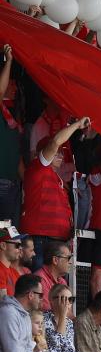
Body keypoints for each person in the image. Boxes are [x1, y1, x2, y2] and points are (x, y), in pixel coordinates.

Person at [20, 118, 90, 268]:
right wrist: (76, 125)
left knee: (53, 287)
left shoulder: (56, 178)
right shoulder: (38, 168)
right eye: (57, 153)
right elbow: (55, 141)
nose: (61, 156)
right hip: (41, 240)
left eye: (61, 153)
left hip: (55, 242)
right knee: (38, 285)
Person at [0, 45, 21, 228]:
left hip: (13, 185)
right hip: (1, 183)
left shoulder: (11, 116)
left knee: (9, 236)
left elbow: (17, 155)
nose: (13, 87)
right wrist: (9, 62)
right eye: (11, 83)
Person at [33, 242, 70, 312]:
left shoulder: (62, 281)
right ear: (55, 260)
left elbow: (68, 311)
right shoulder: (40, 278)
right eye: (68, 258)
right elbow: (47, 310)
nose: (70, 262)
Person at [0, 229, 24, 298]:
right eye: (17, 245)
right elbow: (3, 304)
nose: (20, 248)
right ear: (3, 245)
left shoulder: (14, 272)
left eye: (21, 245)